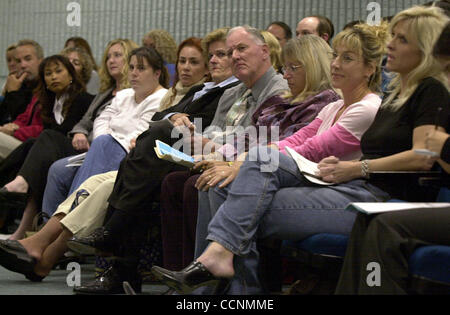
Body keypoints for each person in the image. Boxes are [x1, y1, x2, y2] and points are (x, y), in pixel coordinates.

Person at [152, 16, 442, 295]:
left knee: (241, 196)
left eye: (347, 59)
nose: (336, 64)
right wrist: (238, 160)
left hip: (357, 190)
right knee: (227, 186)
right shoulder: (350, 104)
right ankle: (223, 283)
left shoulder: (374, 104)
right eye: (335, 56)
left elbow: (313, 149)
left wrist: (241, 162)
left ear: (369, 69)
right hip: (329, 182)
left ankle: (222, 277)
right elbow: (296, 139)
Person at [0, 27, 240, 288]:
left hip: (176, 158)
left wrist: (165, 127)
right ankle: (46, 254)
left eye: (221, 55)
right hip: (146, 158)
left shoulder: (230, 92)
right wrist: (171, 118)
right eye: (211, 55)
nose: (214, 60)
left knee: (116, 170)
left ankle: (60, 249)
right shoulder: (199, 90)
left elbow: (200, 132)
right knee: (96, 182)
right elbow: (150, 119)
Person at [68, 25, 288, 294]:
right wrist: (197, 137)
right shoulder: (232, 92)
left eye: (240, 49)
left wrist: (206, 143)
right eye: (230, 52)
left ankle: (120, 243)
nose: (234, 57)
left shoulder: (277, 89)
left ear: (265, 51)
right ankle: (176, 278)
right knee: (162, 169)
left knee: (165, 165)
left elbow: (261, 140)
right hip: (212, 152)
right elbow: (212, 130)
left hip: (245, 162)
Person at [159, 35, 341, 272]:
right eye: (285, 68)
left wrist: (233, 162)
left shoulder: (322, 103)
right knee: (176, 180)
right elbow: (250, 135)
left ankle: (213, 279)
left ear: (313, 66)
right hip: (261, 162)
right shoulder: (283, 100)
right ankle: (189, 271)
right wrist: (220, 155)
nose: (286, 75)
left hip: (286, 171)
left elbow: (294, 147)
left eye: (292, 68)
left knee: (212, 183)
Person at [334, 18, 450, 295]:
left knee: (386, 225)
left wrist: (443, 147)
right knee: (368, 220)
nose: (390, 45)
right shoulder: (397, 92)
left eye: (402, 39)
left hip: (396, 189)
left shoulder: (432, 90)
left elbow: (424, 158)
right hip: (379, 187)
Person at [40, 37, 209, 219]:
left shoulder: (161, 98)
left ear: (157, 73)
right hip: (102, 148)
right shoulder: (124, 94)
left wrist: (109, 139)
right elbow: (101, 119)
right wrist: (104, 139)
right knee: (58, 169)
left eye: (141, 68)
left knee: (104, 142)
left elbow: (140, 133)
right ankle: (46, 221)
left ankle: (66, 220)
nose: (134, 73)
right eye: (132, 67)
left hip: (127, 152)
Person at [0, 55, 94, 240]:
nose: (53, 77)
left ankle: (18, 183)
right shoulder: (50, 103)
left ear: (71, 75)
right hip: (57, 152)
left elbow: (65, 131)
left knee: (44, 138)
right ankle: (21, 230)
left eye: (59, 71)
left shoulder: (83, 98)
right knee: (32, 148)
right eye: (48, 74)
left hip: (80, 151)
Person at [158, 37, 210, 111]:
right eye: (182, 61)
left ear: (207, 69)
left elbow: (199, 122)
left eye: (194, 62)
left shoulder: (207, 97)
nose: (186, 67)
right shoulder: (171, 94)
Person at [0, 40, 43, 126]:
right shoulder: (20, 84)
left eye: (28, 59)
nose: (23, 65)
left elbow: (25, 122)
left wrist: (14, 93)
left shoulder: (47, 87)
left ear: (41, 61)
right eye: (18, 61)